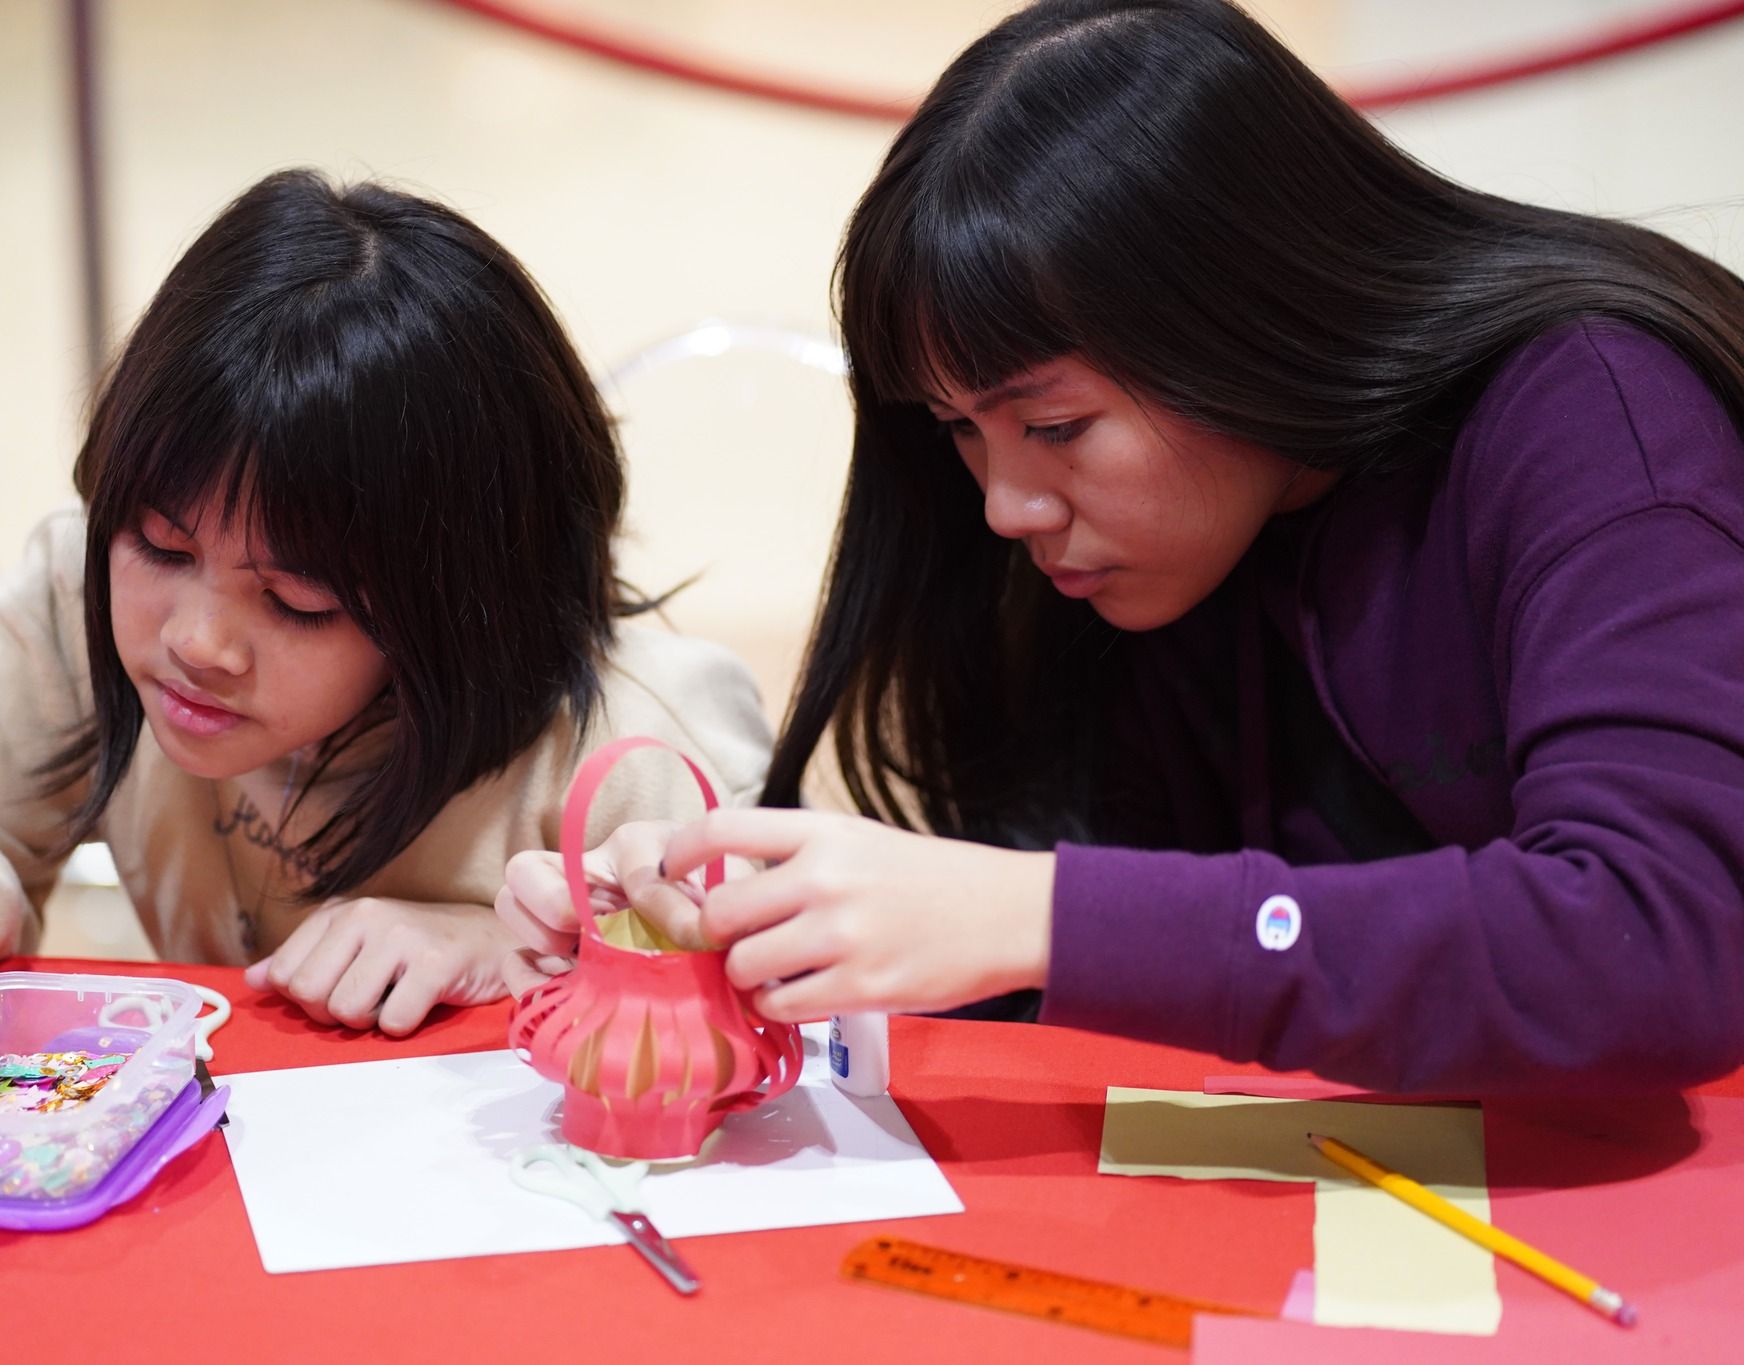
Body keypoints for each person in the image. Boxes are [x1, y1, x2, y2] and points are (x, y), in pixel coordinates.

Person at [500, 0, 1744, 1092]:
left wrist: (1038, 910)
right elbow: (1150, 966)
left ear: (1244, 311)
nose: (1003, 505)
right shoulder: (1175, 555)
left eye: (1052, 425)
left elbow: (1651, 941)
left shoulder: (1593, 421)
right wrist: (752, 924)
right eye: (960, 434)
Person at [0, 169, 771, 1105]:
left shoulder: (632, 742)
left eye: (299, 602)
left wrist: (511, 952)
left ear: (463, 601)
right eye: (158, 543)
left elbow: (787, 1019)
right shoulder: (76, 587)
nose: (198, 640)